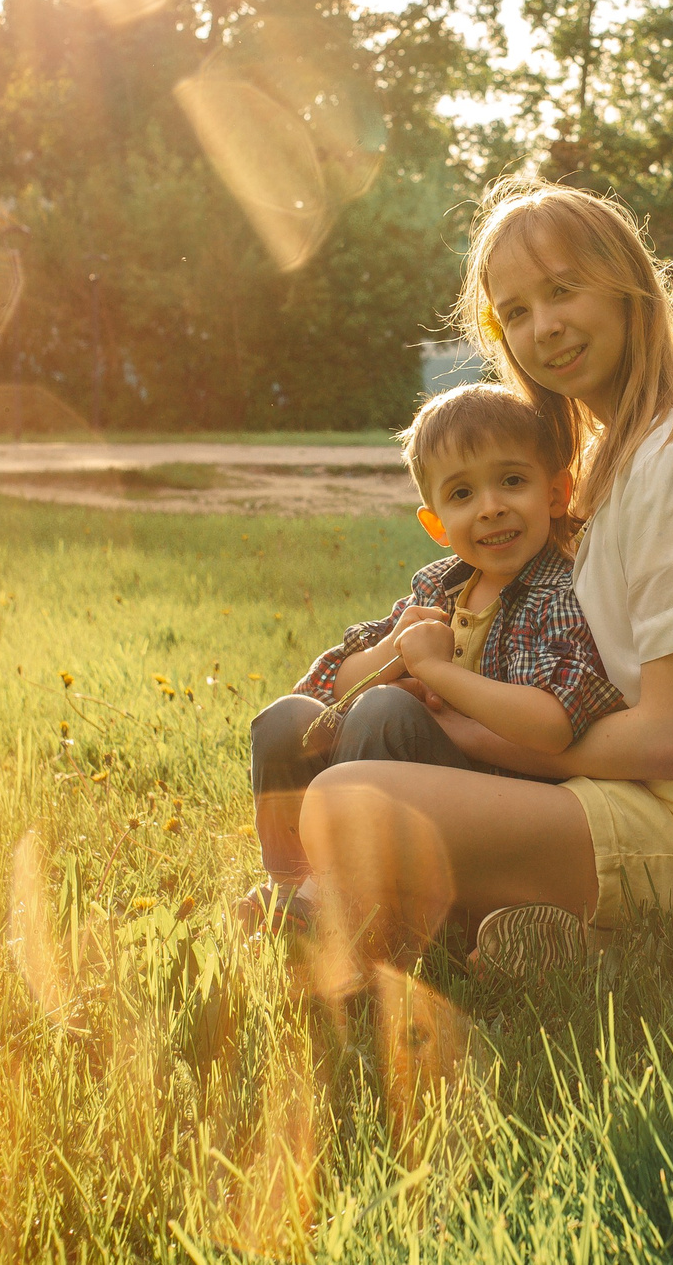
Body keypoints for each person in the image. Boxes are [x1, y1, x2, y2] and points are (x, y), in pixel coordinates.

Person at [293, 179, 673, 989]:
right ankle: (538, 937)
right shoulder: (615, 447)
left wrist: (464, 730)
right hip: (621, 793)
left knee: (346, 803)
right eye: (519, 310)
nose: (545, 327)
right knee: (378, 728)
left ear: (629, 286)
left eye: (564, 289)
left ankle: (434, 932)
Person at [241, 383, 625, 946]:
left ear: (556, 493)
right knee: (287, 719)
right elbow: (327, 685)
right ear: (437, 523)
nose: (490, 505)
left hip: (483, 808)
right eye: (463, 493)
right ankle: (295, 887)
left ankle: (362, 912)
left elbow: (554, 725)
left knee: (384, 710)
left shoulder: (558, 592)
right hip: (404, 777)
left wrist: (442, 675)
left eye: (512, 481)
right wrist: (394, 652)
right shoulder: (437, 587)